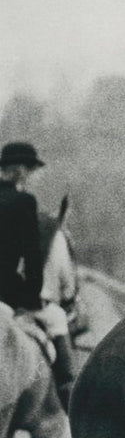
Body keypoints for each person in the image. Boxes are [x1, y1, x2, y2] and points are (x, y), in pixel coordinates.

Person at [0, 142, 75, 411]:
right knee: (56, 317)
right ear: (19, 170)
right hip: (7, 293)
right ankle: (69, 393)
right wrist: (32, 298)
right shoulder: (24, 202)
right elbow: (32, 258)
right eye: (30, 170)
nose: (31, 175)